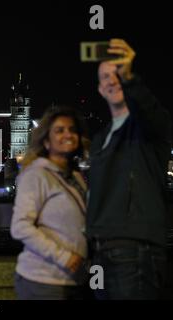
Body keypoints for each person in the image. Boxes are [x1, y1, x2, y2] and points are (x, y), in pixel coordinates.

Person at [86, 39, 171, 299]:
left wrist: (130, 76)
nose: (112, 81)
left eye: (117, 74)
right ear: (100, 89)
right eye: (105, 77)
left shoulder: (147, 129)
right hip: (101, 251)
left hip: (135, 248)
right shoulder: (101, 138)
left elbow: (150, 112)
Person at [11, 106, 89, 300]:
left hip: (77, 279)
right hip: (44, 282)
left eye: (72, 130)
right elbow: (20, 227)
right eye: (59, 130)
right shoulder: (35, 175)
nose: (68, 134)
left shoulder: (77, 177)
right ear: (46, 141)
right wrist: (64, 257)